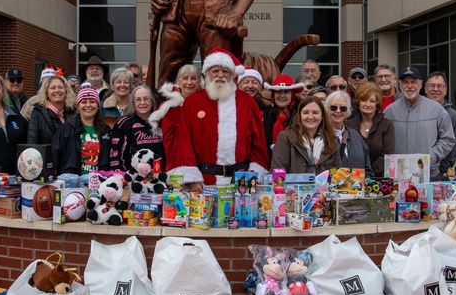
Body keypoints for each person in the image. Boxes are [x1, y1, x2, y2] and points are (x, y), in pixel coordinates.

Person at [166, 48, 269, 192]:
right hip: (203, 181)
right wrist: (192, 178)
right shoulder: (192, 103)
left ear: (232, 74)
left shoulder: (247, 102)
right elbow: (184, 142)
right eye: (215, 71)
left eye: (225, 71)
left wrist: (253, 176)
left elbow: (258, 143)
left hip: (242, 180)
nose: (220, 75)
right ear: (207, 73)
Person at [384, 67, 455, 179]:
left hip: (428, 173)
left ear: (421, 84)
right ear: (400, 84)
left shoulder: (436, 109)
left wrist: (433, 156)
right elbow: (382, 140)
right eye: (405, 82)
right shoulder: (390, 111)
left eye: (413, 82)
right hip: (398, 174)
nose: (409, 86)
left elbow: (448, 138)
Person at [99, 85, 165, 172]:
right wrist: (122, 176)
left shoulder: (162, 122)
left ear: (152, 101)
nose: (142, 103)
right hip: (132, 177)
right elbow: (115, 155)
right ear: (133, 103)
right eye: (138, 99)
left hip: (160, 174)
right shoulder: (123, 123)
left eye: (146, 99)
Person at [271, 95, 341, 175]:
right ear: (299, 115)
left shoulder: (332, 140)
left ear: (322, 115)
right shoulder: (286, 137)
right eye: (306, 112)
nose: (310, 117)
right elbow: (277, 171)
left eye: (315, 113)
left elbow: (337, 173)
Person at [53, 85, 108, 178]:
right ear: (78, 105)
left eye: (92, 102)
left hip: (98, 181)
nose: (88, 105)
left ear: (98, 105)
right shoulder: (67, 128)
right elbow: (55, 156)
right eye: (84, 102)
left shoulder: (106, 130)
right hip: (72, 181)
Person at [344, 82, 394, 177]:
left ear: (377, 104)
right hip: (353, 178)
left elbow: (387, 155)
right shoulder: (348, 125)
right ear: (358, 102)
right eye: (364, 100)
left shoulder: (386, 124)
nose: (368, 104)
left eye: (372, 101)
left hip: (379, 178)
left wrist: (368, 173)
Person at [325, 91, 373, 177]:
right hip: (330, 185)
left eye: (343, 108)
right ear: (326, 109)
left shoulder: (356, 135)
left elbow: (368, 169)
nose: (338, 111)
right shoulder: (321, 136)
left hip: (358, 184)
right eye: (333, 107)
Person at [425, 71, 456, 175]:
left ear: (445, 90)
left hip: (439, 173)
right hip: (417, 167)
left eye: (439, 86)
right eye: (432, 85)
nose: (435, 89)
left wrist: (440, 170)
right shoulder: (416, 112)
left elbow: (455, 147)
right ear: (426, 89)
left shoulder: (453, 116)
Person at [25, 74, 75, 144]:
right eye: (53, 88)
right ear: (46, 92)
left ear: (66, 90)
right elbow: (32, 142)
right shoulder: (37, 113)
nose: (57, 90)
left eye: (60, 87)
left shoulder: (73, 112)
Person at [262, 74, 305, 151]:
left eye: (286, 92)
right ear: (273, 95)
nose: (282, 96)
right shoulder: (263, 116)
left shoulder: (300, 116)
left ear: (292, 95)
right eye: (278, 92)